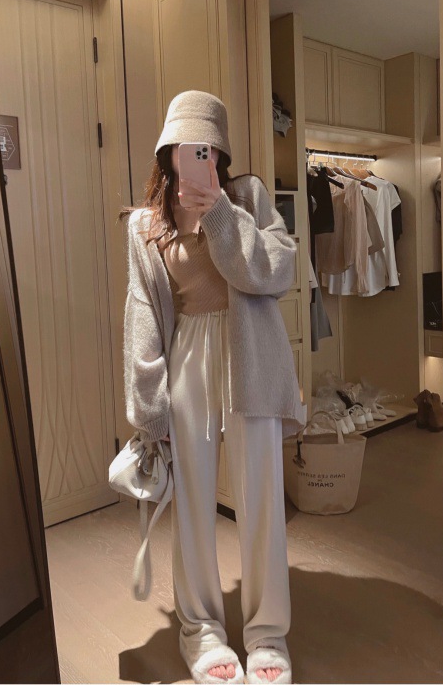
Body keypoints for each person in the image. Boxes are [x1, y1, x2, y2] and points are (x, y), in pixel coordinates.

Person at [120, 91, 306, 684]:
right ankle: (200, 630)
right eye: (187, 146)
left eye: (209, 148)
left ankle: (268, 633)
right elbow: (143, 314)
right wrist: (149, 408)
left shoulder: (246, 198)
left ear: (220, 151)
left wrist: (222, 214)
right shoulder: (146, 224)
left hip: (252, 355)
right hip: (189, 358)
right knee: (195, 502)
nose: (200, 157)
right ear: (168, 150)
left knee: (262, 499)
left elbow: (276, 272)